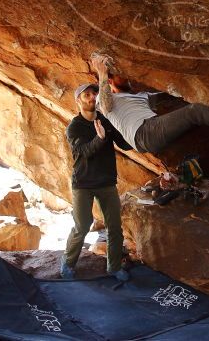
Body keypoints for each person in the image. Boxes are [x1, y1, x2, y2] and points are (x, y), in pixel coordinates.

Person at [91, 55, 209, 166]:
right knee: (195, 111)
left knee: (203, 109)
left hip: (152, 129)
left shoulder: (140, 96)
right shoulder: (104, 98)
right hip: (143, 133)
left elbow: (170, 95)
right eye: (117, 75)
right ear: (110, 82)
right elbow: (106, 106)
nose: (123, 75)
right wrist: (102, 74)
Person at [61, 82, 133, 282]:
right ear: (78, 101)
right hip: (83, 183)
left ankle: (115, 267)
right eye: (87, 95)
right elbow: (84, 152)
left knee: (114, 227)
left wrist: (136, 135)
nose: (92, 97)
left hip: (106, 182)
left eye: (94, 93)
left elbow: (123, 143)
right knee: (82, 225)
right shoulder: (74, 127)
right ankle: (67, 263)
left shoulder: (105, 120)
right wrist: (99, 138)